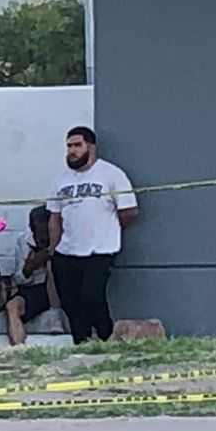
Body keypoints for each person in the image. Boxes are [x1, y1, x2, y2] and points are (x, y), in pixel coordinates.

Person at [48, 125, 139, 343]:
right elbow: (54, 217)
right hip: (68, 250)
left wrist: (109, 229)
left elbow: (129, 211)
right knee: (70, 301)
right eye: (69, 146)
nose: (72, 151)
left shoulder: (111, 174)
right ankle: (82, 342)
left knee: (92, 296)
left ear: (91, 146)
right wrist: (53, 247)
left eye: (77, 145)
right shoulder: (61, 180)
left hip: (101, 249)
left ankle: (107, 338)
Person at [4, 205, 59, 346]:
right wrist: (30, 267)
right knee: (12, 306)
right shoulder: (24, 242)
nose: (44, 237)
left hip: (57, 288)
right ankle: (18, 347)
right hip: (33, 289)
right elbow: (18, 278)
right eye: (40, 234)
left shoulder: (65, 240)